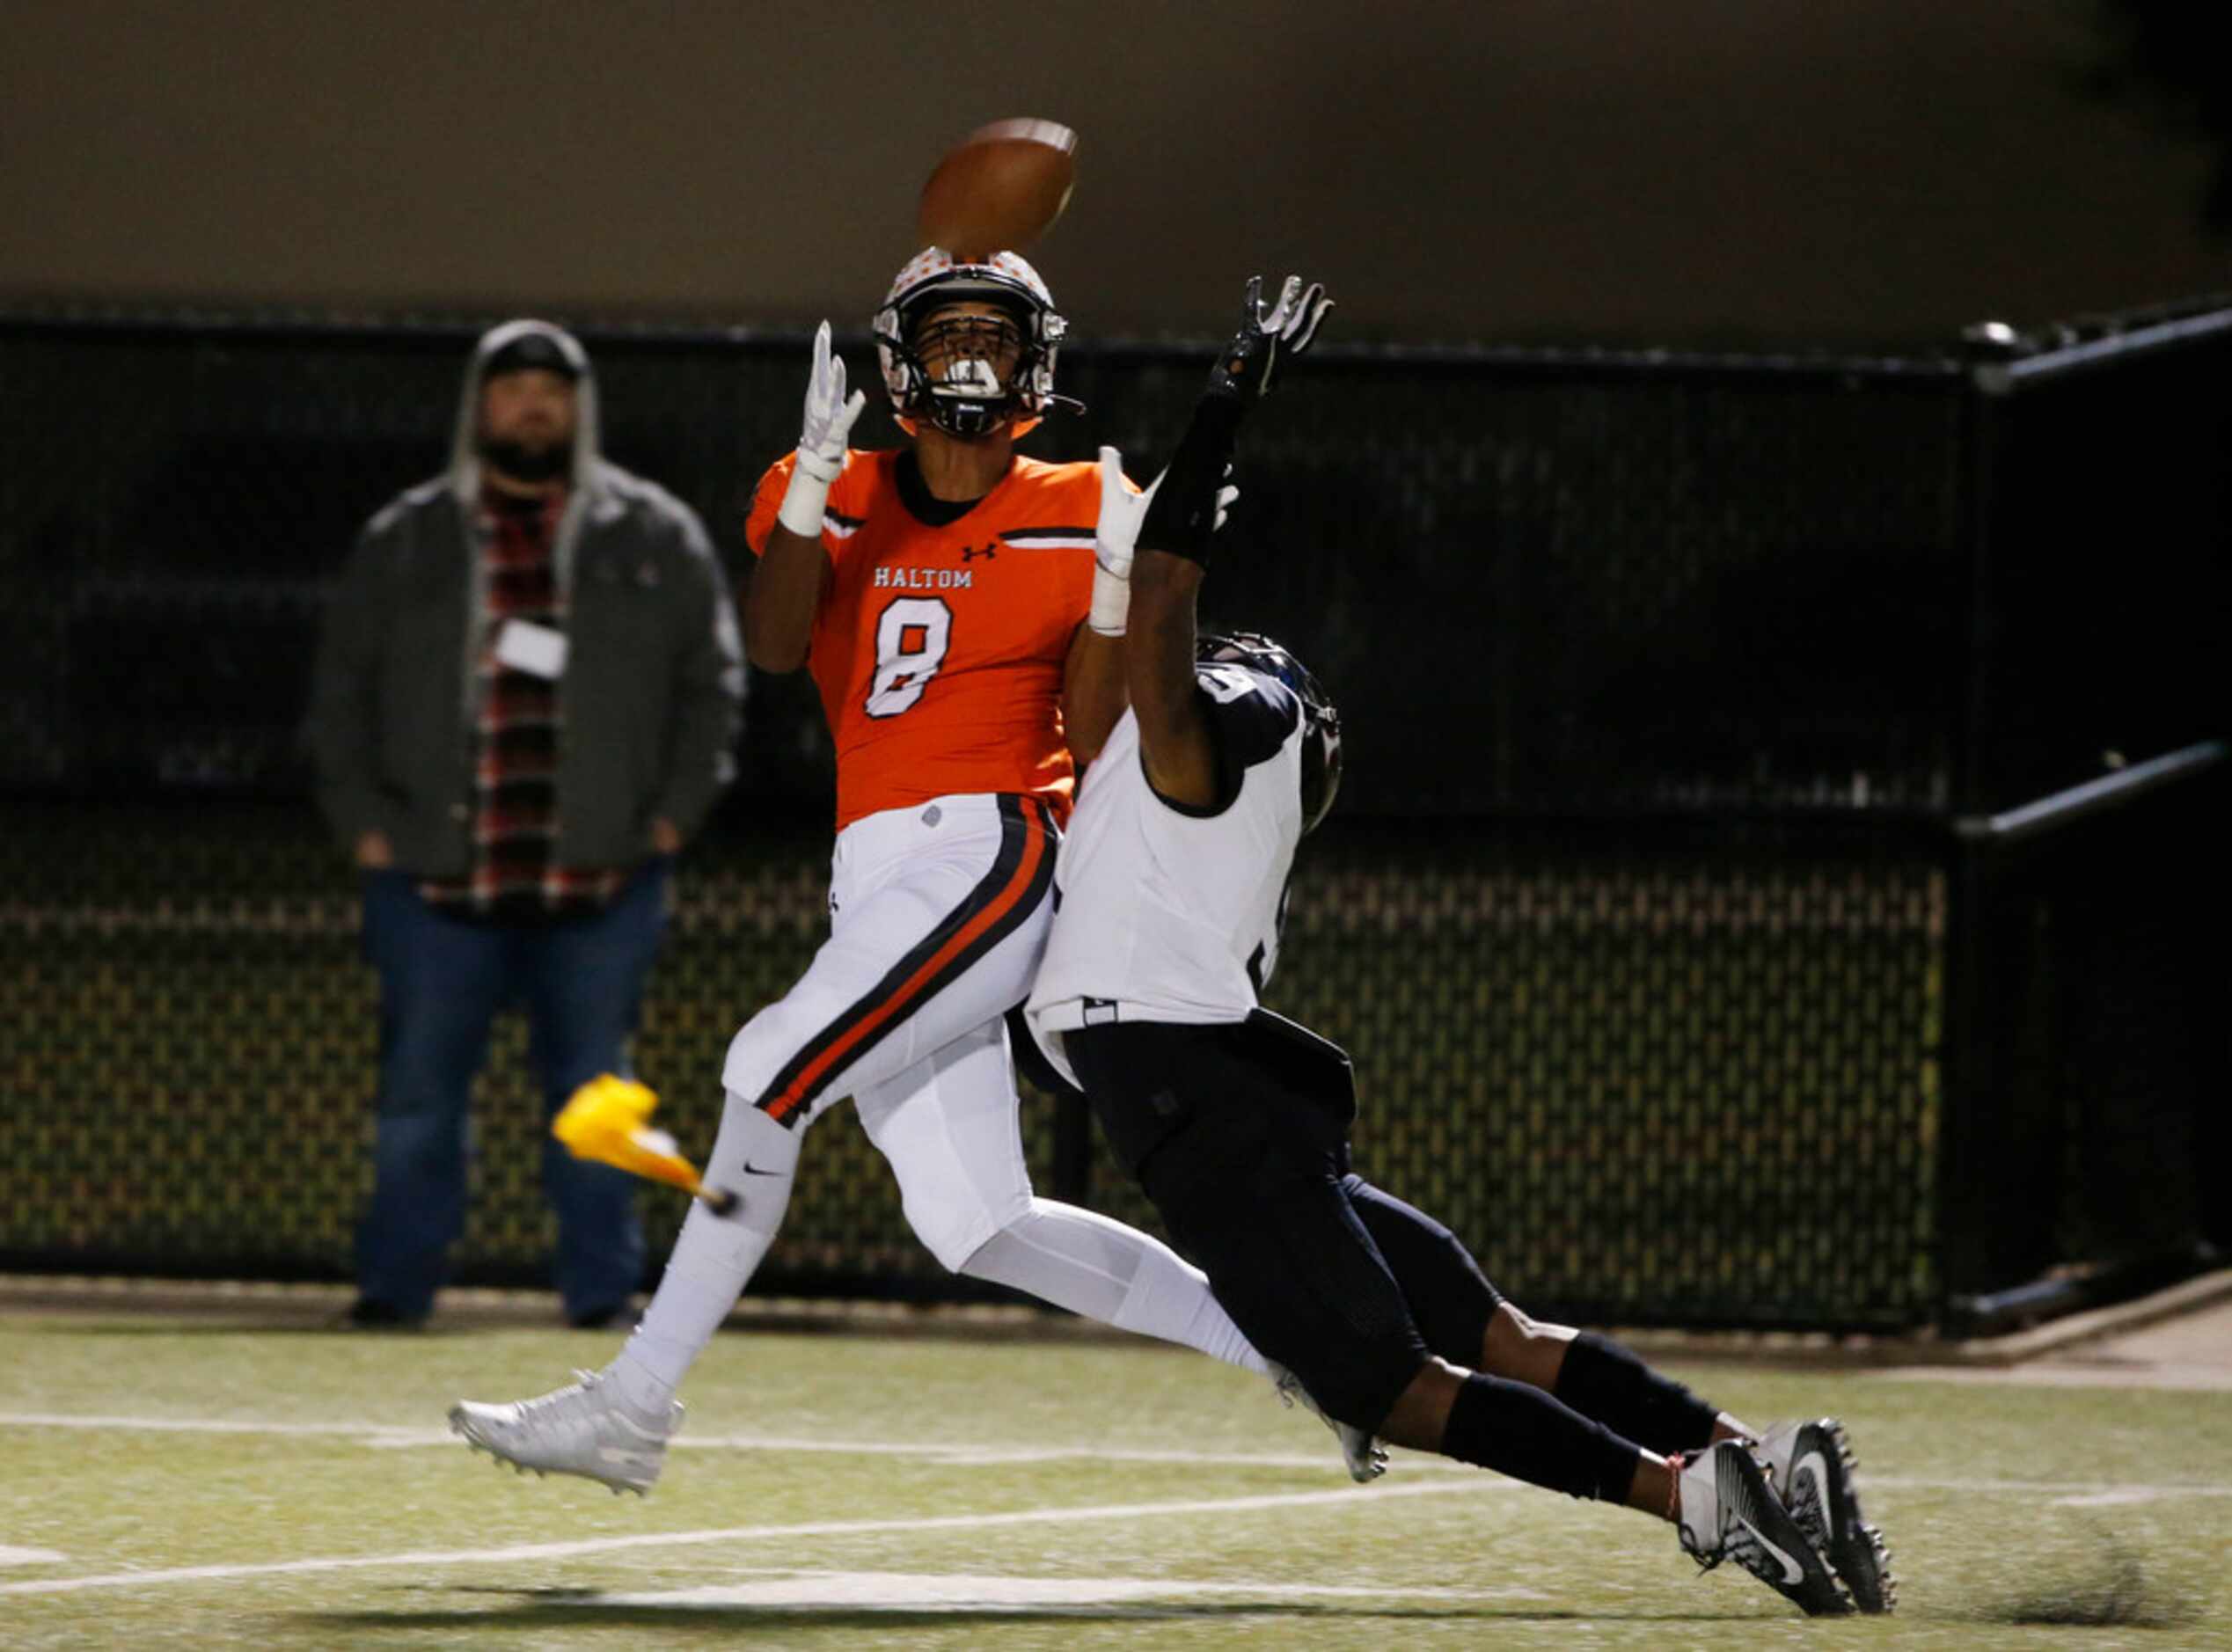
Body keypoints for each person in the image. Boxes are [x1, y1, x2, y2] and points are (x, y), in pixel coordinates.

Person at [1023, 274, 1897, 1618]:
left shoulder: (1200, 759)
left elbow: (1165, 597)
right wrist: (1111, 567)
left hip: (1190, 1093)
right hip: (1227, 1089)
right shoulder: (1200, 792)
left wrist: (1222, 406)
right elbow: (1104, 689)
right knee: (1498, 1336)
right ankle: (1751, 1454)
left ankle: (1692, 1497)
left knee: (1388, 1383)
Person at [451, 250, 1355, 1492]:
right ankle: (1299, 1345)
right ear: (902, 360)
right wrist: (817, 483)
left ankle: (635, 1400)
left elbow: (1096, 741)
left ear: (1036, 360)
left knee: (767, 1069)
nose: (971, 358)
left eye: (996, 334)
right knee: (975, 1222)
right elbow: (775, 646)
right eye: (949, 335)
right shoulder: (829, 482)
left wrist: (1107, 593)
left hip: (994, 847)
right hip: (876, 871)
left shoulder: (1087, 495)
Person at [304, 319, 744, 1330]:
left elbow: (712, 687)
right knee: (418, 1102)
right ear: (479, 406)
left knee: (595, 1101)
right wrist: (365, 826)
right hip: (432, 881)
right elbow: (340, 694)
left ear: (580, 408)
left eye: (553, 388)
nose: (533, 405)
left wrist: (672, 818)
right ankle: (395, 1291)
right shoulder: (407, 537)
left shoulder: (651, 533)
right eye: (513, 389)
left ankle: (601, 1297)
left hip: (598, 882)